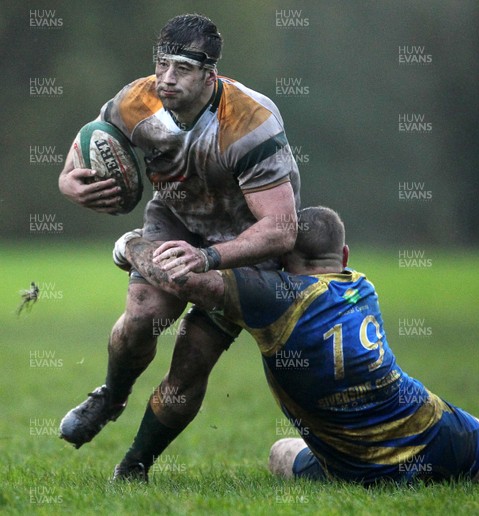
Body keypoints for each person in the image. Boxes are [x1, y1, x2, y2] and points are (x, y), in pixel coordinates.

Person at [115, 206, 479, 492]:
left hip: (354, 463)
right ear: (342, 257)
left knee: (280, 452)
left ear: (281, 261)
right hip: (428, 432)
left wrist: (130, 247)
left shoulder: (273, 298)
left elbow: (187, 280)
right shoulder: (361, 285)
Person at [57, 13, 300, 475]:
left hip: (241, 244)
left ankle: (134, 467)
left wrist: (208, 257)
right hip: (175, 219)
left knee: (192, 360)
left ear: (210, 74)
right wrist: (71, 184)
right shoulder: (136, 100)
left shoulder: (251, 123)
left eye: (182, 69)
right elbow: (82, 149)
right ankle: (111, 395)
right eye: (161, 65)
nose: (167, 79)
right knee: (144, 317)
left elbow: (281, 229)